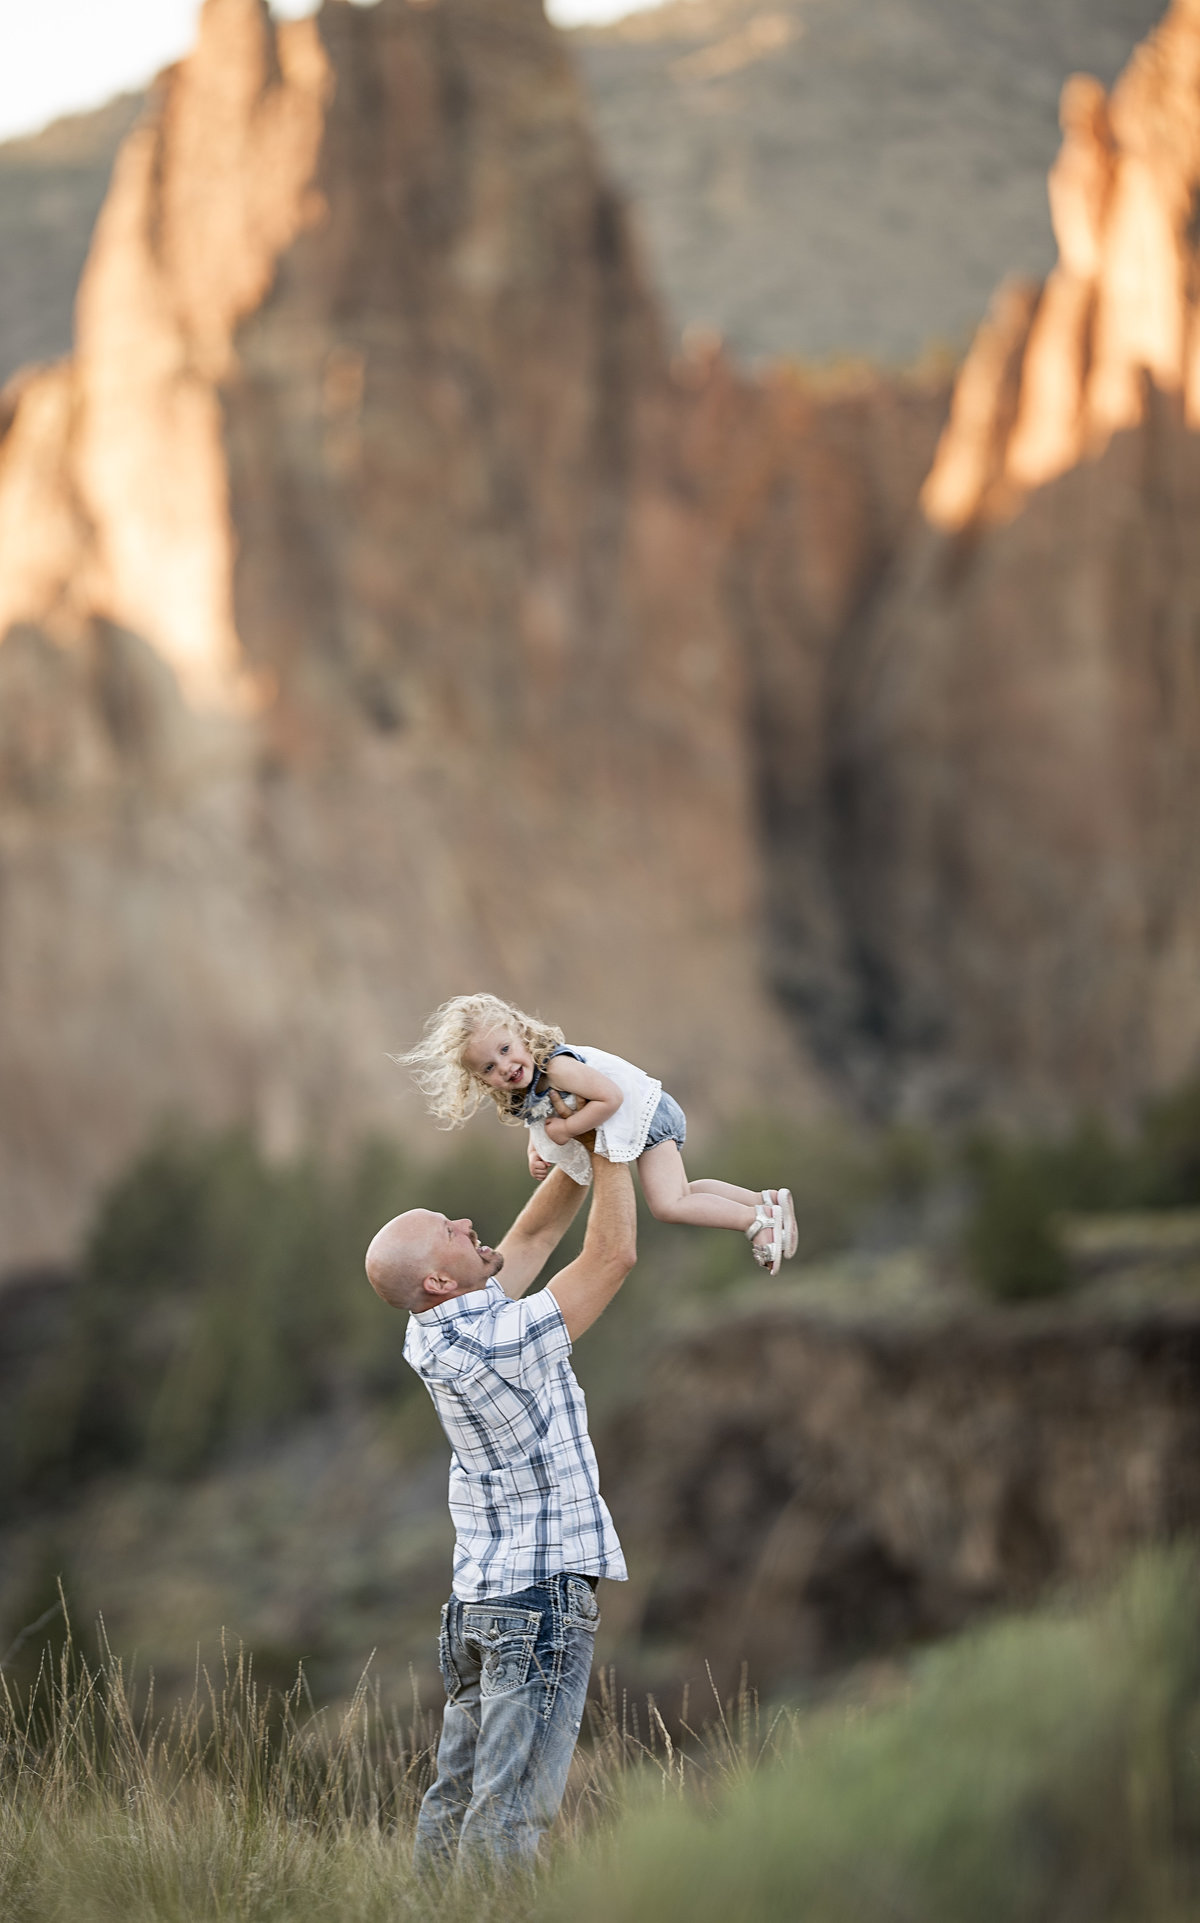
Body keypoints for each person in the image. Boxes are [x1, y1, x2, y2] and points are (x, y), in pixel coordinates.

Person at [365, 1121, 637, 1876]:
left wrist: (573, 1155)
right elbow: (611, 1257)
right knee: (508, 1818)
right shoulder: (499, 1341)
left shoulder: (437, 1328)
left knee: (454, 1806)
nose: (464, 1221)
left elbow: (535, 1230)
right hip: (536, 1605)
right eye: (447, 1230)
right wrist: (620, 1139)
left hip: (479, 1605)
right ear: (440, 1281)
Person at [398, 991, 799, 1274]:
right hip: (644, 1117)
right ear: (481, 1080)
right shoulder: (521, 1090)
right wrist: (536, 1151)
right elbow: (539, 1120)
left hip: (646, 1114)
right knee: (684, 1193)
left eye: (505, 1050)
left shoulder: (556, 1066)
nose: (503, 1067)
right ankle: (767, 1201)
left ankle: (756, 1220)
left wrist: (570, 1127)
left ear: (520, 1032)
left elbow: (610, 1097)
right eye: (488, 1068)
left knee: (667, 1205)